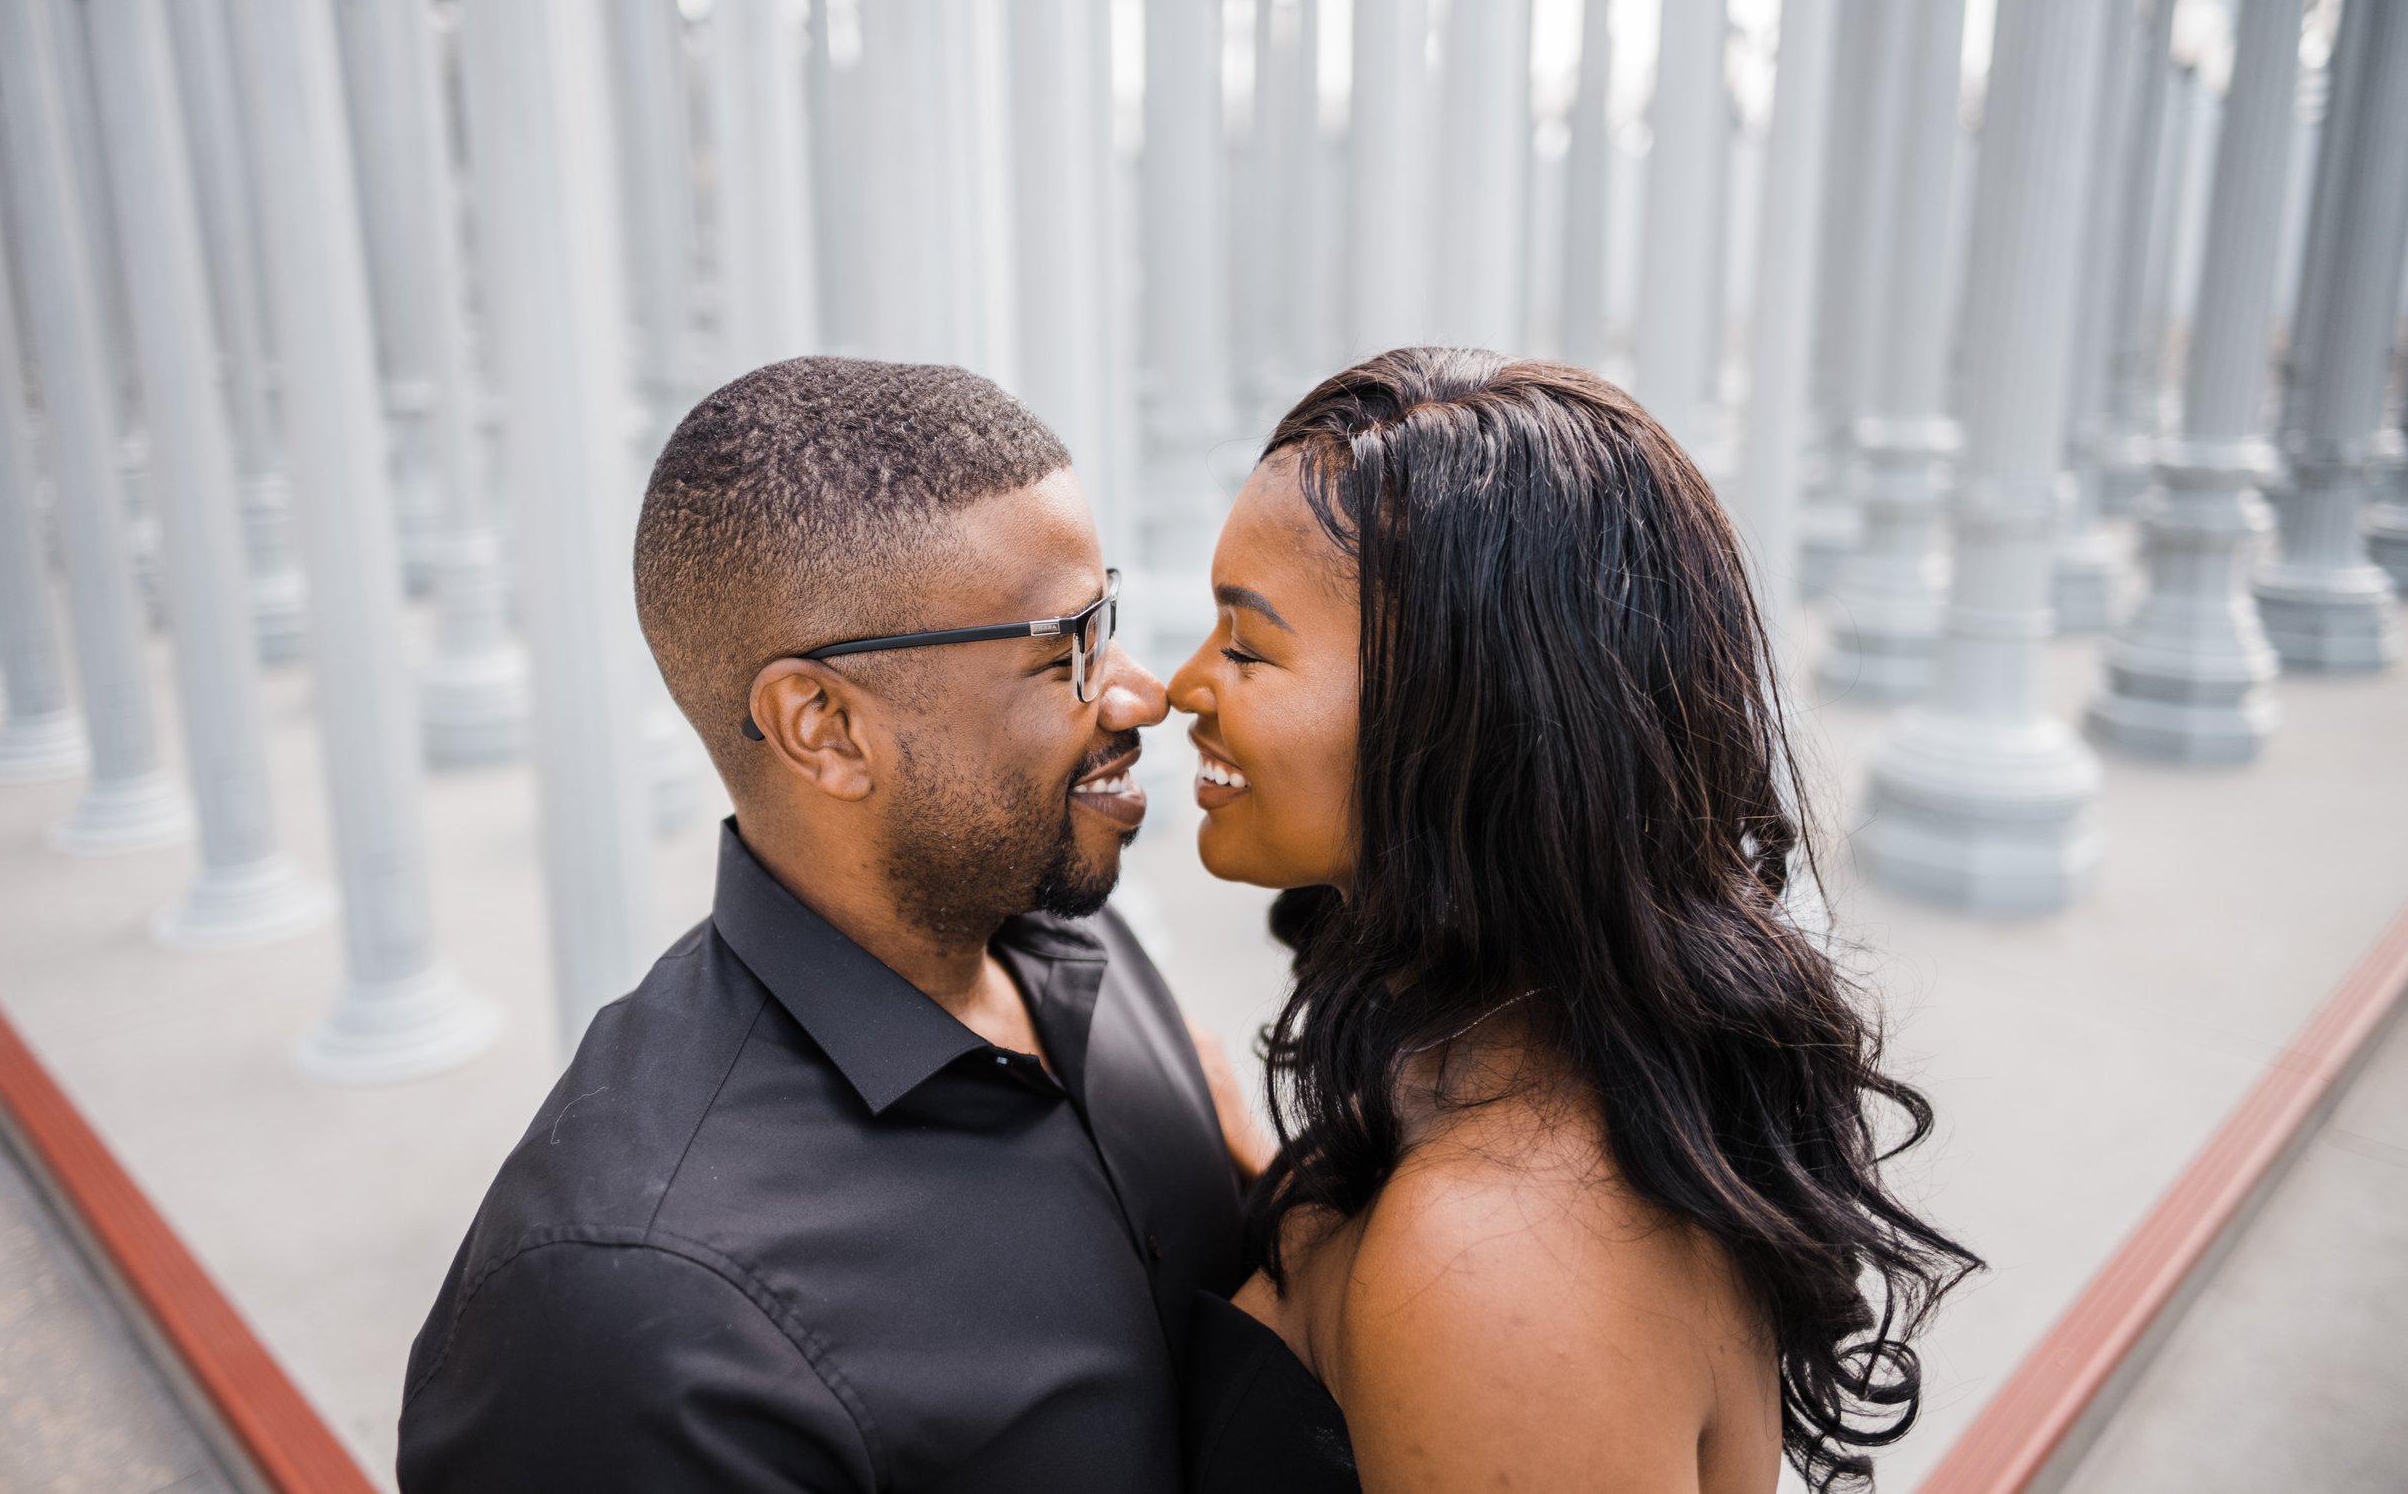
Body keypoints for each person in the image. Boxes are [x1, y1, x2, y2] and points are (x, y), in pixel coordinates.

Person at [396, 358, 1249, 1493]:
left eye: (1114, 615)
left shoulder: (1059, 936)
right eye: (1067, 647)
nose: (1141, 690)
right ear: (824, 726)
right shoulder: (632, 1314)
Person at [1168, 349, 1980, 1493]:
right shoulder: (1486, 1053)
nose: (1176, 686)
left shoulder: (1495, 1264)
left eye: (1247, 644)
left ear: (1463, 718)